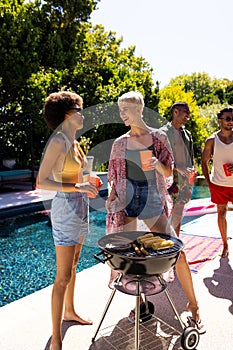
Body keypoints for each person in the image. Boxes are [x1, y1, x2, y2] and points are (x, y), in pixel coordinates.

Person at [105, 91, 205, 333]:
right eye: (120, 110)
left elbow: (168, 172)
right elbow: (113, 180)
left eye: (125, 110)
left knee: (176, 252)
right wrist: (111, 198)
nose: (122, 115)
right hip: (128, 205)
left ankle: (194, 308)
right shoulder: (120, 143)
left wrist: (156, 164)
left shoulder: (158, 137)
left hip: (151, 201)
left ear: (139, 109)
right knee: (132, 258)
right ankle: (141, 304)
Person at [36, 91, 100, 350]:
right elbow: (42, 181)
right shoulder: (58, 142)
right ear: (64, 115)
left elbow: (77, 176)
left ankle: (70, 312)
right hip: (65, 208)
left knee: (73, 264)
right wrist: (78, 187)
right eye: (77, 109)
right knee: (62, 276)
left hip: (80, 207)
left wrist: (88, 181)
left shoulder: (74, 143)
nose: (82, 113)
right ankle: (56, 340)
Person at [160, 102, 197, 236]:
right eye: (185, 112)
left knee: (179, 210)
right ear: (175, 112)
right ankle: (162, 240)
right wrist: (178, 168)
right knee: (164, 211)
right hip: (167, 178)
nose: (188, 115)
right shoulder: (163, 133)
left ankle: (175, 241)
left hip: (183, 180)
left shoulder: (187, 134)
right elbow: (159, 159)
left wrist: (192, 170)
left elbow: (191, 157)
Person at [201, 106, 233, 258]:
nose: (231, 121)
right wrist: (209, 182)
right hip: (219, 184)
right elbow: (204, 162)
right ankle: (225, 245)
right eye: (227, 118)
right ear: (220, 120)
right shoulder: (211, 141)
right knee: (221, 213)